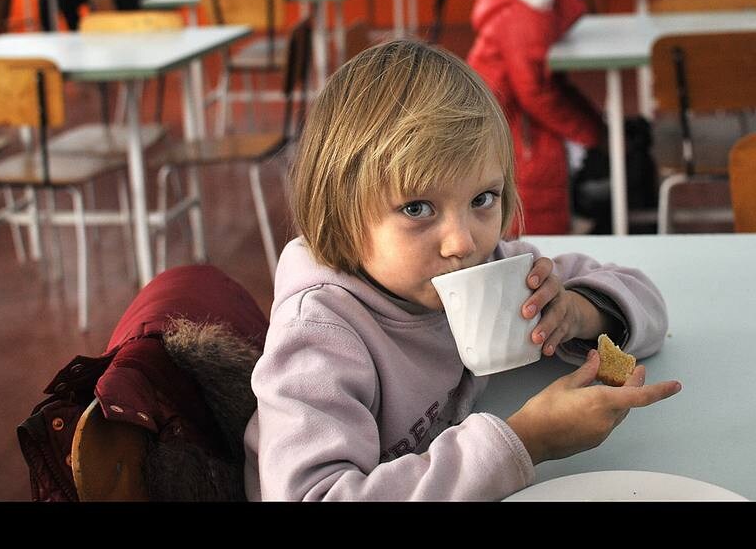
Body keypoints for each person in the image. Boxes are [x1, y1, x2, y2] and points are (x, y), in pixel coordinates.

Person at [245, 40, 680, 501]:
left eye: (482, 199)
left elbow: (648, 304)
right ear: (341, 214)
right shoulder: (321, 336)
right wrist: (528, 441)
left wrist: (579, 311)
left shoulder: (494, 269)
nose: (463, 242)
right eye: (417, 208)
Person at [467, 0, 609, 235]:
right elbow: (533, 91)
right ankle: (541, 248)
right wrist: (584, 131)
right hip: (503, 117)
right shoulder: (531, 9)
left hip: (507, 107)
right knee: (542, 168)